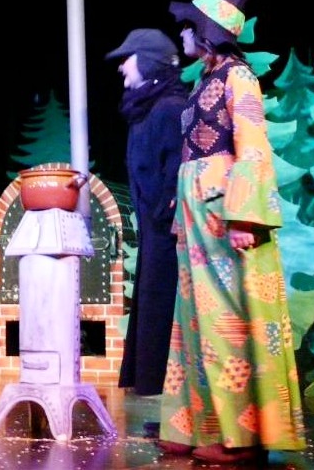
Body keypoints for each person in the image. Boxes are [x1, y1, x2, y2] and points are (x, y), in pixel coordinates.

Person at [156, 0, 307, 464]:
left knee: (226, 319)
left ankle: (238, 434)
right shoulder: (204, 79)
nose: (181, 35)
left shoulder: (238, 77)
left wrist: (247, 216)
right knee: (194, 318)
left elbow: (253, 144)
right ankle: (194, 421)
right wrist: (180, 207)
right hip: (197, 209)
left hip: (225, 208)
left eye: (188, 28)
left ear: (208, 33)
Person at [104, 30, 187, 410]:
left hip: (168, 231)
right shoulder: (147, 110)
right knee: (153, 301)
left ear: (149, 61)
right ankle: (155, 389)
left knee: (164, 303)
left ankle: (169, 393)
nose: (122, 67)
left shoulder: (169, 108)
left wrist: (165, 215)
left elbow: (176, 168)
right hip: (155, 229)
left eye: (129, 58)